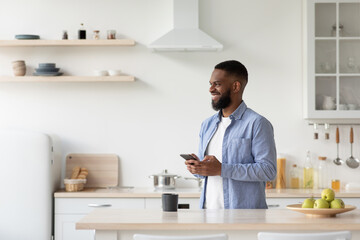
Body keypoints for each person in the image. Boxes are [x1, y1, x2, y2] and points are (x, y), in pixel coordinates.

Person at [185, 60, 277, 209]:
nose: (211, 89)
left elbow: (268, 170)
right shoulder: (207, 125)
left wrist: (221, 169)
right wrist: (198, 168)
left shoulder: (257, 123)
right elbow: (209, 174)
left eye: (217, 84)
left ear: (235, 86)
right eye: (210, 84)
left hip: (245, 217)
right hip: (208, 213)